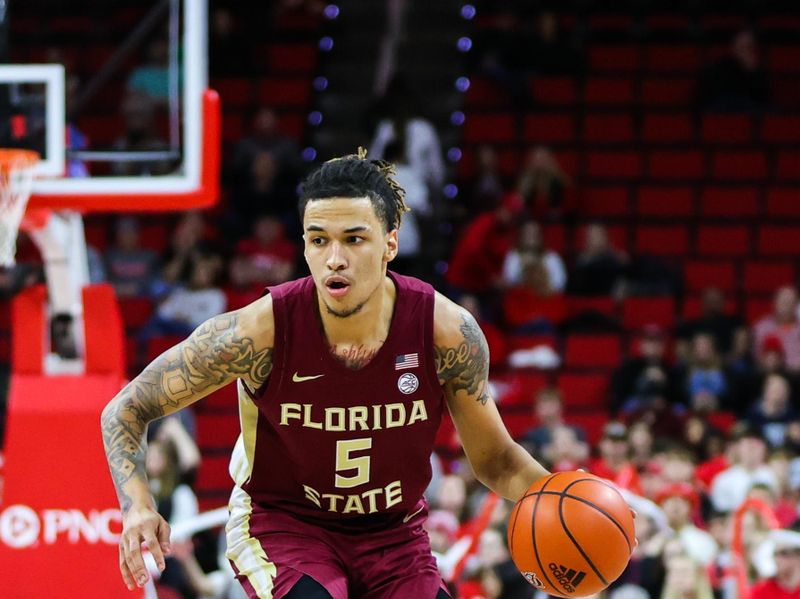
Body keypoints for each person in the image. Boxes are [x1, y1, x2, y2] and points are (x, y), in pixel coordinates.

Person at [101, 150, 553, 598]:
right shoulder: (258, 332)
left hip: (394, 535)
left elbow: (496, 460)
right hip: (284, 526)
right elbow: (126, 408)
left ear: (390, 244)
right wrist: (138, 505)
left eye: (354, 239)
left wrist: (564, 497)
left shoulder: (446, 333)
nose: (334, 258)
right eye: (319, 240)